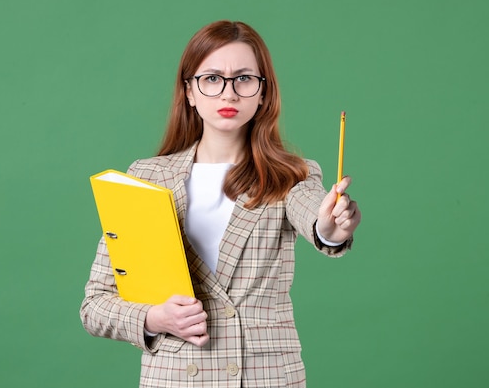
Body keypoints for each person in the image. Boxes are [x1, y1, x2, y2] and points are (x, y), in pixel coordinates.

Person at [80, 20, 361, 388]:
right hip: (177, 378)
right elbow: (95, 305)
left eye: (244, 79)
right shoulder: (145, 178)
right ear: (190, 92)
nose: (229, 94)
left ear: (263, 93)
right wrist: (155, 318)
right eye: (212, 78)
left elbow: (313, 213)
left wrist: (330, 228)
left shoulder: (292, 174)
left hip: (266, 378)